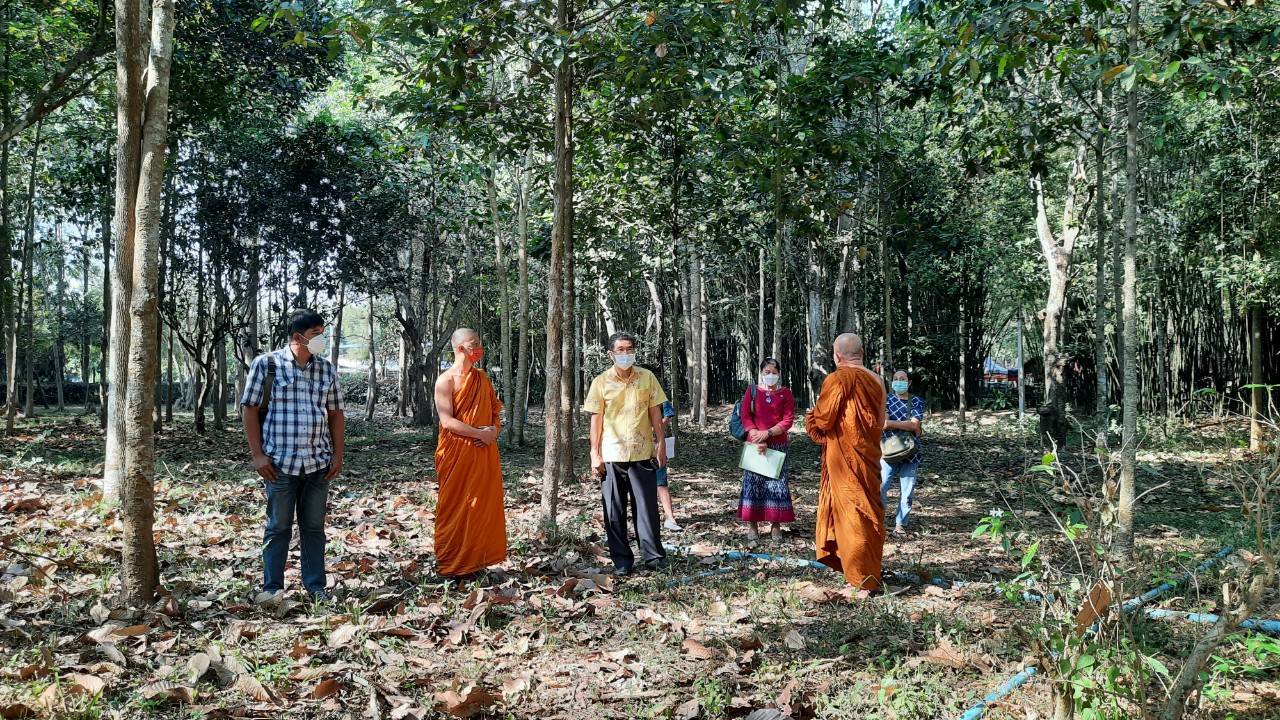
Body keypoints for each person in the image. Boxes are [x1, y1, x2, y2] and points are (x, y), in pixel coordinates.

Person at [241, 309, 346, 603]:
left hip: (318, 463)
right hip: (279, 464)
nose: (320, 340)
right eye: (315, 335)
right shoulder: (267, 365)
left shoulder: (325, 369)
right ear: (298, 337)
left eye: (322, 334)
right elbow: (249, 409)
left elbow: (336, 414)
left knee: (314, 528)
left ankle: (316, 587)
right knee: (278, 527)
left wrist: (338, 455)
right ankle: (272, 588)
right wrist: (258, 456)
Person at [805, 333, 887, 598]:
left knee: (853, 514)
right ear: (861, 352)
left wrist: (811, 416)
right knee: (867, 512)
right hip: (869, 456)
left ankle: (863, 580)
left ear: (836, 356)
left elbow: (824, 420)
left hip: (846, 461)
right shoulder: (877, 380)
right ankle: (865, 572)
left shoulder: (838, 378)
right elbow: (881, 421)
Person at [584, 332, 668, 575]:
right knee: (614, 510)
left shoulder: (647, 378)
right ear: (611, 354)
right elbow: (596, 421)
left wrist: (660, 442)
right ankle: (622, 561)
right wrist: (594, 453)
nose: (625, 354)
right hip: (611, 454)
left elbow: (655, 413)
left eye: (629, 349)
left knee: (647, 509)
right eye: (620, 350)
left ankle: (653, 558)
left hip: (642, 453)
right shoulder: (600, 382)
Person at [433, 328, 507, 580]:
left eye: (479, 342)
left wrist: (493, 432)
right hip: (457, 454)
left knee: (481, 507)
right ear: (458, 348)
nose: (477, 347)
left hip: (484, 452)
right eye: (472, 343)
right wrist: (479, 434)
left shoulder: (482, 378)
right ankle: (452, 564)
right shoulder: (446, 380)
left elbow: (495, 412)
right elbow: (447, 421)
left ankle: (476, 562)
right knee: (456, 506)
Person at [738, 358, 795, 544]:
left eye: (774, 372)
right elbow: (745, 415)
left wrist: (768, 433)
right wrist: (756, 435)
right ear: (761, 373)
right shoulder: (752, 391)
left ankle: (776, 525)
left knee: (776, 486)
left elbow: (788, 420)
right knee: (753, 485)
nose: (770, 376)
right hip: (754, 445)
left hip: (777, 445)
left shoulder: (785, 393)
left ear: (779, 373)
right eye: (767, 372)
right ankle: (753, 526)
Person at [881, 370, 925, 536]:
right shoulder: (886, 400)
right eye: (896, 379)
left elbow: (915, 425)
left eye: (903, 379)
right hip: (888, 451)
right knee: (881, 487)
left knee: (907, 492)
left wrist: (892, 423)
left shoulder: (917, 401)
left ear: (910, 382)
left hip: (911, 452)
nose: (899, 382)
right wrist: (908, 424)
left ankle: (900, 524)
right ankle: (879, 519)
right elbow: (884, 424)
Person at [655, 398, 681, 532]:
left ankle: (670, 517)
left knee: (660, 481)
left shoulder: (658, 395)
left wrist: (656, 429)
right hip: (635, 446)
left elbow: (668, 415)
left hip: (656, 444)